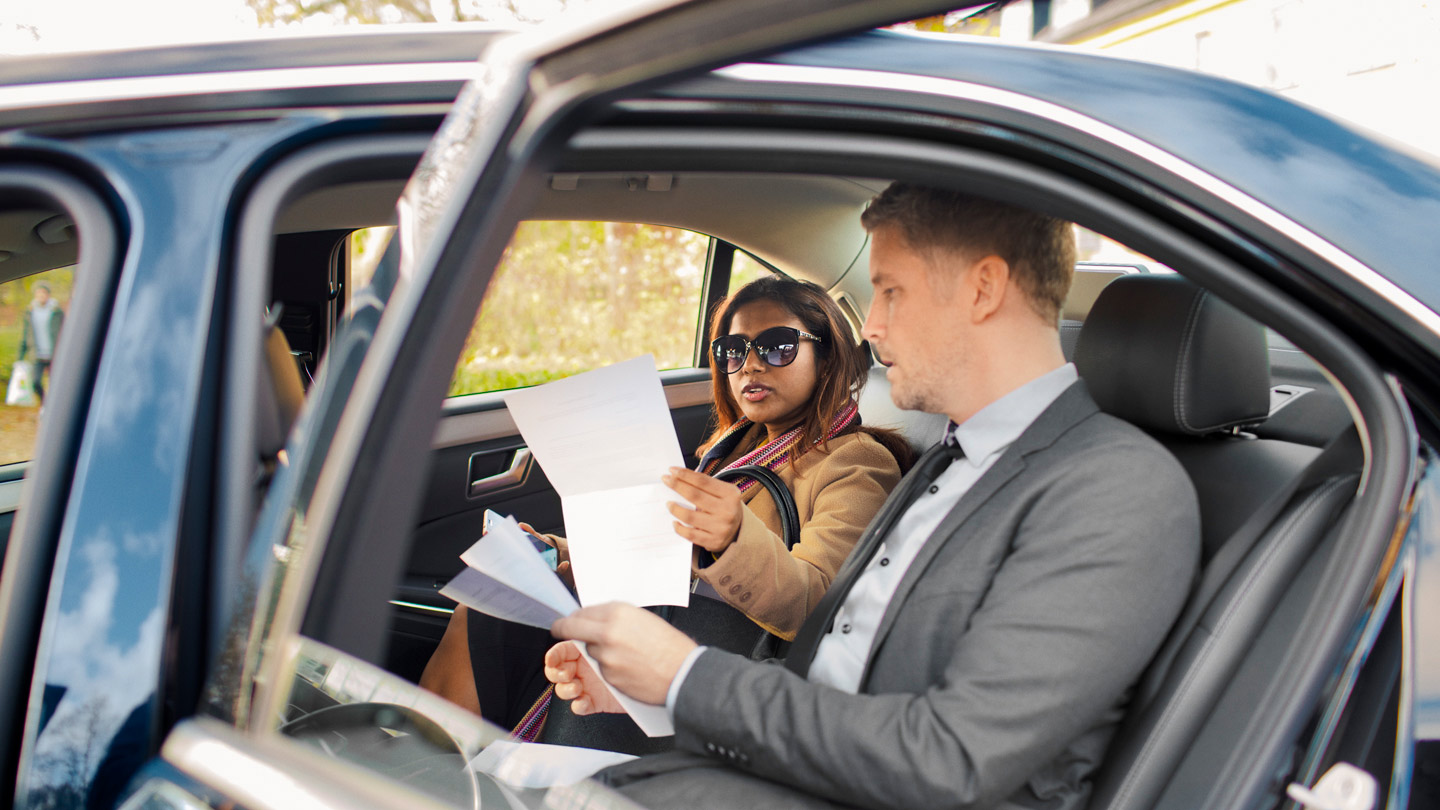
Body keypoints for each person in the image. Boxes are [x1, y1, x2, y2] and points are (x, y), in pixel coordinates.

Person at [543, 184, 1202, 810]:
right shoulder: (950, 462)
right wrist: (649, 693)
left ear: (983, 288)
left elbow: (953, 759)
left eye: (889, 292)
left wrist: (687, 680)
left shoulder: (1116, 487)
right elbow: (832, 673)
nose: (873, 327)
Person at [421, 275, 910, 734]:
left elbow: (819, 606)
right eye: (733, 351)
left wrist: (733, 539)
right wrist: (550, 553)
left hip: (715, 656)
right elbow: (660, 549)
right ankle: (428, 772)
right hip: (658, 608)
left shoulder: (857, 462)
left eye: (778, 347)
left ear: (827, 356)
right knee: (491, 596)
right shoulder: (733, 450)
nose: (752, 365)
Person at [19, 281, 63, 402]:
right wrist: (20, 356)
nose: (41, 296)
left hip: (54, 353)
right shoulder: (30, 312)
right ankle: (45, 402)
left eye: (43, 294)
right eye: (38, 294)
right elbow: (25, 334)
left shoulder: (57, 311)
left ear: (48, 295)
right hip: (37, 353)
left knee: (56, 383)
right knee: (35, 382)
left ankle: (55, 403)